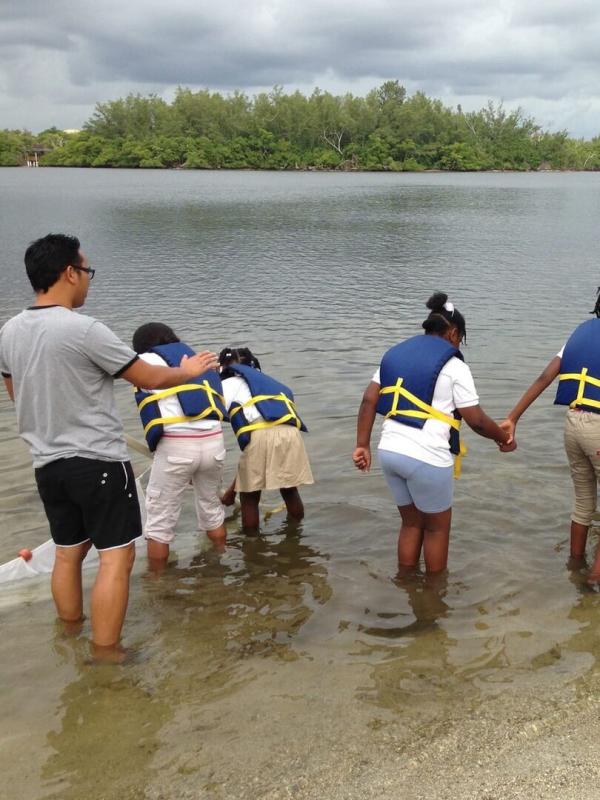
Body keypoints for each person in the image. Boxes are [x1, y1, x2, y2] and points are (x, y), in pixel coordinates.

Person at [0, 234, 217, 654]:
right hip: (98, 460)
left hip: (47, 464)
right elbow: (148, 378)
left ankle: (69, 635)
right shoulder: (84, 330)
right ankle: (106, 655)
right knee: (117, 558)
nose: (88, 281)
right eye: (86, 272)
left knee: (67, 553)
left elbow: (16, 391)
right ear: (69, 272)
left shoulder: (8, 332)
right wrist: (188, 370)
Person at [353, 292, 514, 574]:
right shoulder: (454, 366)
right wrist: (504, 439)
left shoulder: (394, 354)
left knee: (411, 523)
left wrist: (362, 445)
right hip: (426, 457)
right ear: (453, 333)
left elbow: (368, 400)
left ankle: (405, 583)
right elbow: (475, 419)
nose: (459, 344)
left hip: (389, 452)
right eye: (460, 338)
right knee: (437, 530)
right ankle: (433, 602)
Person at [502, 290, 600, 581]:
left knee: (583, 503)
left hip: (573, 424)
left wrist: (512, 418)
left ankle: (575, 568)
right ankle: (595, 579)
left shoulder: (578, 334)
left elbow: (545, 377)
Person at [132, 322, 228, 568]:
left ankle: (157, 582)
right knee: (211, 508)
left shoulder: (144, 360)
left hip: (177, 446)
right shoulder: (199, 360)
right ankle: (220, 561)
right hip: (214, 442)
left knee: (159, 523)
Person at [218, 347, 314, 532]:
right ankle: (296, 535)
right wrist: (232, 491)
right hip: (290, 434)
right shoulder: (273, 384)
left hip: (260, 432)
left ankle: (252, 547)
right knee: (289, 488)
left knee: (250, 496)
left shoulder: (228, 383)